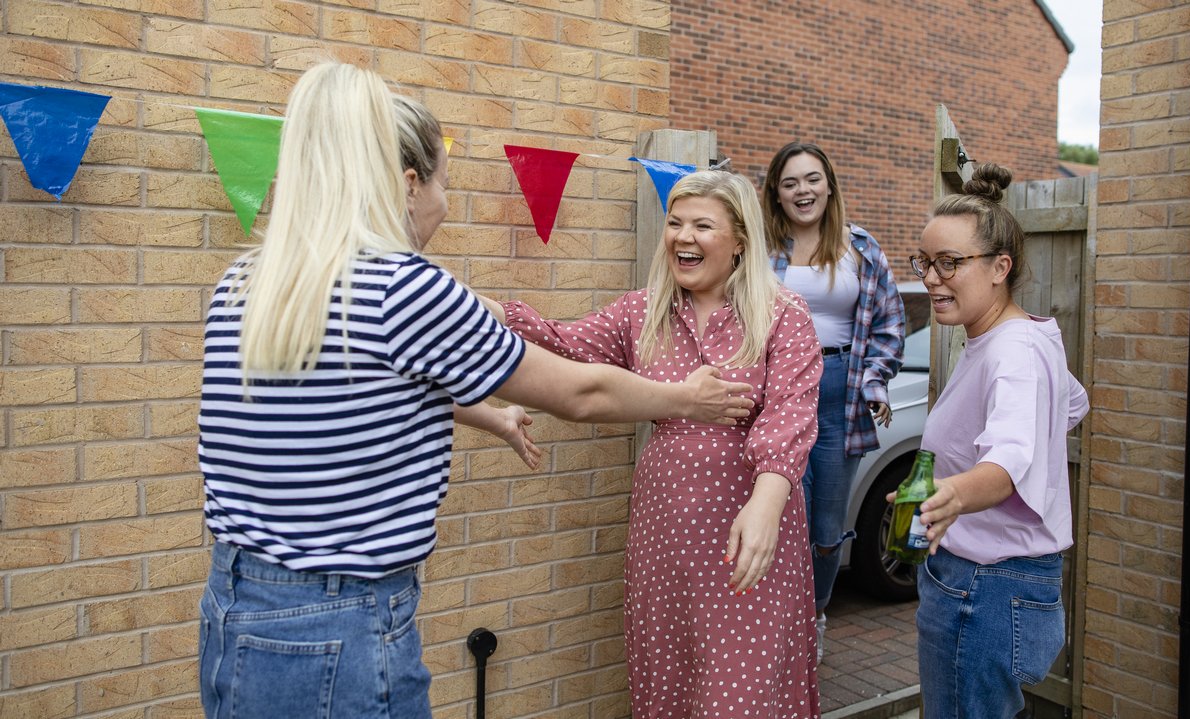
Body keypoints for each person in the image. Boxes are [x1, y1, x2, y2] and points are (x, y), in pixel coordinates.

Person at [196, 63, 755, 719]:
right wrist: (686, 398)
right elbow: (581, 393)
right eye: (445, 182)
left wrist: (488, 415)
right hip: (341, 629)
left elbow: (350, 390)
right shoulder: (404, 287)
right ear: (409, 185)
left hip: (236, 609)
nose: (446, 201)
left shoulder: (249, 282)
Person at [478, 170, 824, 718]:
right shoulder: (641, 312)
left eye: (702, 225)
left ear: (739, 240)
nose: (683, 237)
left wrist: (768, 500)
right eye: (675, 223)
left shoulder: (782, 315)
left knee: (741, 694)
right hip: (664, 537)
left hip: (750, 531)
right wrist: (470, 307)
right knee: (671, 682)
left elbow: (791, 413)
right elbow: (561, 342)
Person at [907, 163, 1089, 718]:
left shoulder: (1012, 353)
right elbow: (1071, 404)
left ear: (999, 267)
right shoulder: (1016, 338)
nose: (932, 277)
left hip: (985, 592)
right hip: (992, 585)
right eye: (926, 262)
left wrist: (953, 497)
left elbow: (1009, 458)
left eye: (950, 263)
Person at [761, 142, 905, 660]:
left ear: (830, 185)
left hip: (841, 389)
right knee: (778, 515)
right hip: (779, 389)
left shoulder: (860, 247)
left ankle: (814, 615)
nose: (803, 190)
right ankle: (778, 622)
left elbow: (890, 323)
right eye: (790, 182)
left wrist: (875, 380)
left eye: (812, 179)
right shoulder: (758, 248)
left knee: (825, 528)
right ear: (776, 194)